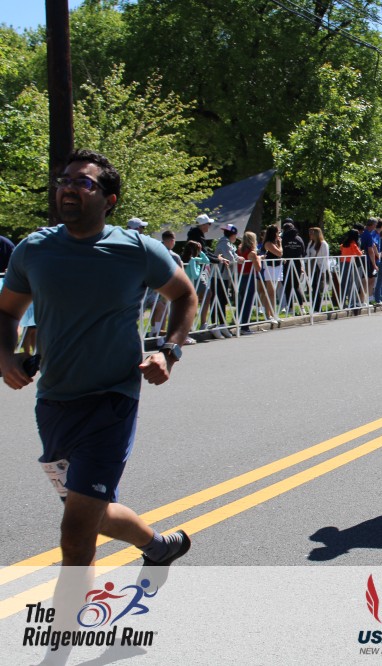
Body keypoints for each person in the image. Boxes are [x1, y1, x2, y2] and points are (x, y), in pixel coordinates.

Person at [0, 150, 197, 655]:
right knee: (88, 509)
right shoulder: (33, 250)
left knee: (75, 530)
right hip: (54, 401)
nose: (68, 187)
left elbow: (184, 295)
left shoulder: (136, 250)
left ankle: (59, 647)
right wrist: (5, 354)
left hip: (112, 399)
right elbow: (7, 312)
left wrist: (169, 351)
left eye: (83, 183)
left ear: (108, 200)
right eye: (64, 180)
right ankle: (157, 547)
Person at [237, 231, 262, 334]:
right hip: (249, 277)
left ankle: (239, 323)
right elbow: (258, 268)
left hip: (240, 276)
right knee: (248, 302)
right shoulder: (252, 253)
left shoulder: (239, 249)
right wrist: (259, 258)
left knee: (241, 301)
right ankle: (245, 327)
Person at [280, 220, 307, 314]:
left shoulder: (283, 238)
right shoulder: (299, 238)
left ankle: (290, 308)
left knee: (287, 286)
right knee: (296, 286)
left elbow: (281, 251)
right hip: (297, 263)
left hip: (286, 263)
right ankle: (302, 307)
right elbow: (303, 252)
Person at [260, 224, 282, 323]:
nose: (278, 234)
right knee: (270, 292)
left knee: (273, 292)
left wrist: (279, 244)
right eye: (277, 232)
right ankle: (268, 315)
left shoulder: (275, 242)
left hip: (276, 267)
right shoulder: (268, 243)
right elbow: (279, 253)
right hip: (270, 268)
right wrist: (280, 244)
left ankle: (273, 314)